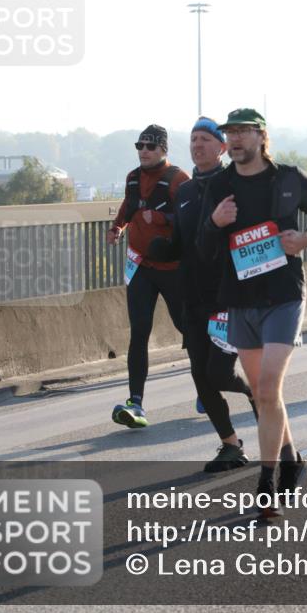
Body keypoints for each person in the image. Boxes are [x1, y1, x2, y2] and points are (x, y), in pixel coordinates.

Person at [197, 108, 307, 519]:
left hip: (284, 295)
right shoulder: (220, 185)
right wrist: (215, 222)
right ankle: (292, 460)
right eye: (230, 133)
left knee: (270, 387)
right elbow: (203, 247)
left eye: (243, 131)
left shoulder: (288, 178)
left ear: (261, 136)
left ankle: (266, 483)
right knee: (262, 393)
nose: (235, 139)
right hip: (240, 299)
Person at [148, 117, 257, 471]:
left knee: (220, 373)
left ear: (222, 147)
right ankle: (230, 445)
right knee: (200, 375)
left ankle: (257, 392)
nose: (197, 145)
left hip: (228, 298)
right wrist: (163, 248)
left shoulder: (234, 186)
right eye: (194, 139)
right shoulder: (185, 192)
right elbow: (182, 243)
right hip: (192, 298)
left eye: (206, 139)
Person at [107, 125, 189, 428]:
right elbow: (129, 208)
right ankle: (136, 403)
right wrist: (117, 228)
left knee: (187, 328)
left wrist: (163, 218)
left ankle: (207, 388)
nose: (144, 151)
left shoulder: (179, 180)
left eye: (150, 147)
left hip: (172, 268)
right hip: (141, 266)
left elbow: (190, 218)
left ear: (163, 150)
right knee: (139, 332)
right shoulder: (132, 178)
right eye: (139, 146)